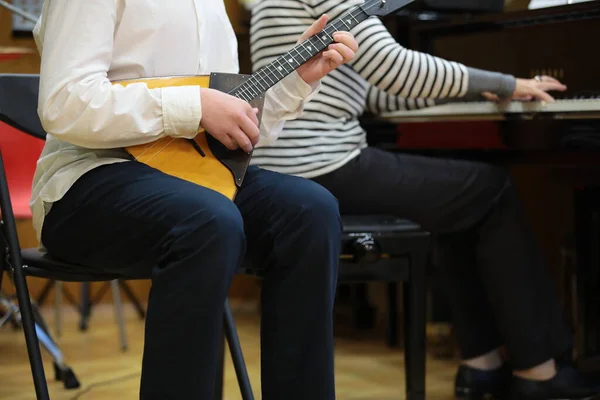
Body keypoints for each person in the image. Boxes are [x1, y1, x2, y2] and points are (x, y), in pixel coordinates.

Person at [249, 0, 600, 398]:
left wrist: (476, 90)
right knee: (490, 190)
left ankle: (481, 366)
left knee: (457, 200)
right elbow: (395, 68)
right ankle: (539, 371)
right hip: (324, 164)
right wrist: (507, 83)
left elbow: (378, 95)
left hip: (285, 169)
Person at [29, 0, 358, 399]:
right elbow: (64, 103)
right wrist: (193, 106)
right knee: (208, 220)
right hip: (85, 183)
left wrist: (295, 82)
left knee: (310, 212)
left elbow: (231, 124)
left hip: (198, 178)